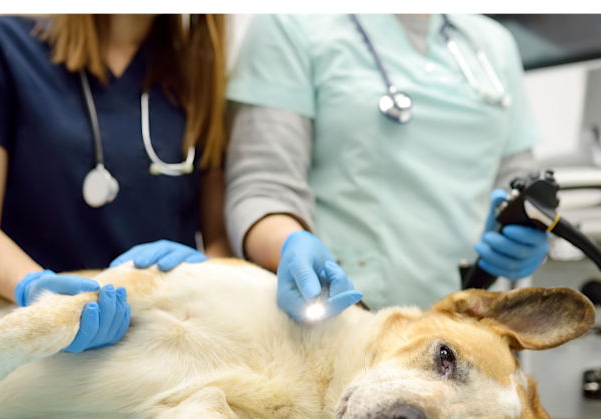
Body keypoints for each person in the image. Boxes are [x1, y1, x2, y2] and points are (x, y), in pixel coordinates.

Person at [225, 13, 548, 321]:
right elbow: (263, 187)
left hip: (468, 323)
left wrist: (526, 233)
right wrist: (290, 248)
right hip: (341, 316)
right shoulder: (290, 24)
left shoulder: (494, 43)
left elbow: (518, 181)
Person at [0, 13, 230, 352]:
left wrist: (201, 273)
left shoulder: (201, 79)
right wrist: (39, 291)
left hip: (154, 346)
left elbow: (221, 237)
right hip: (29, 339)